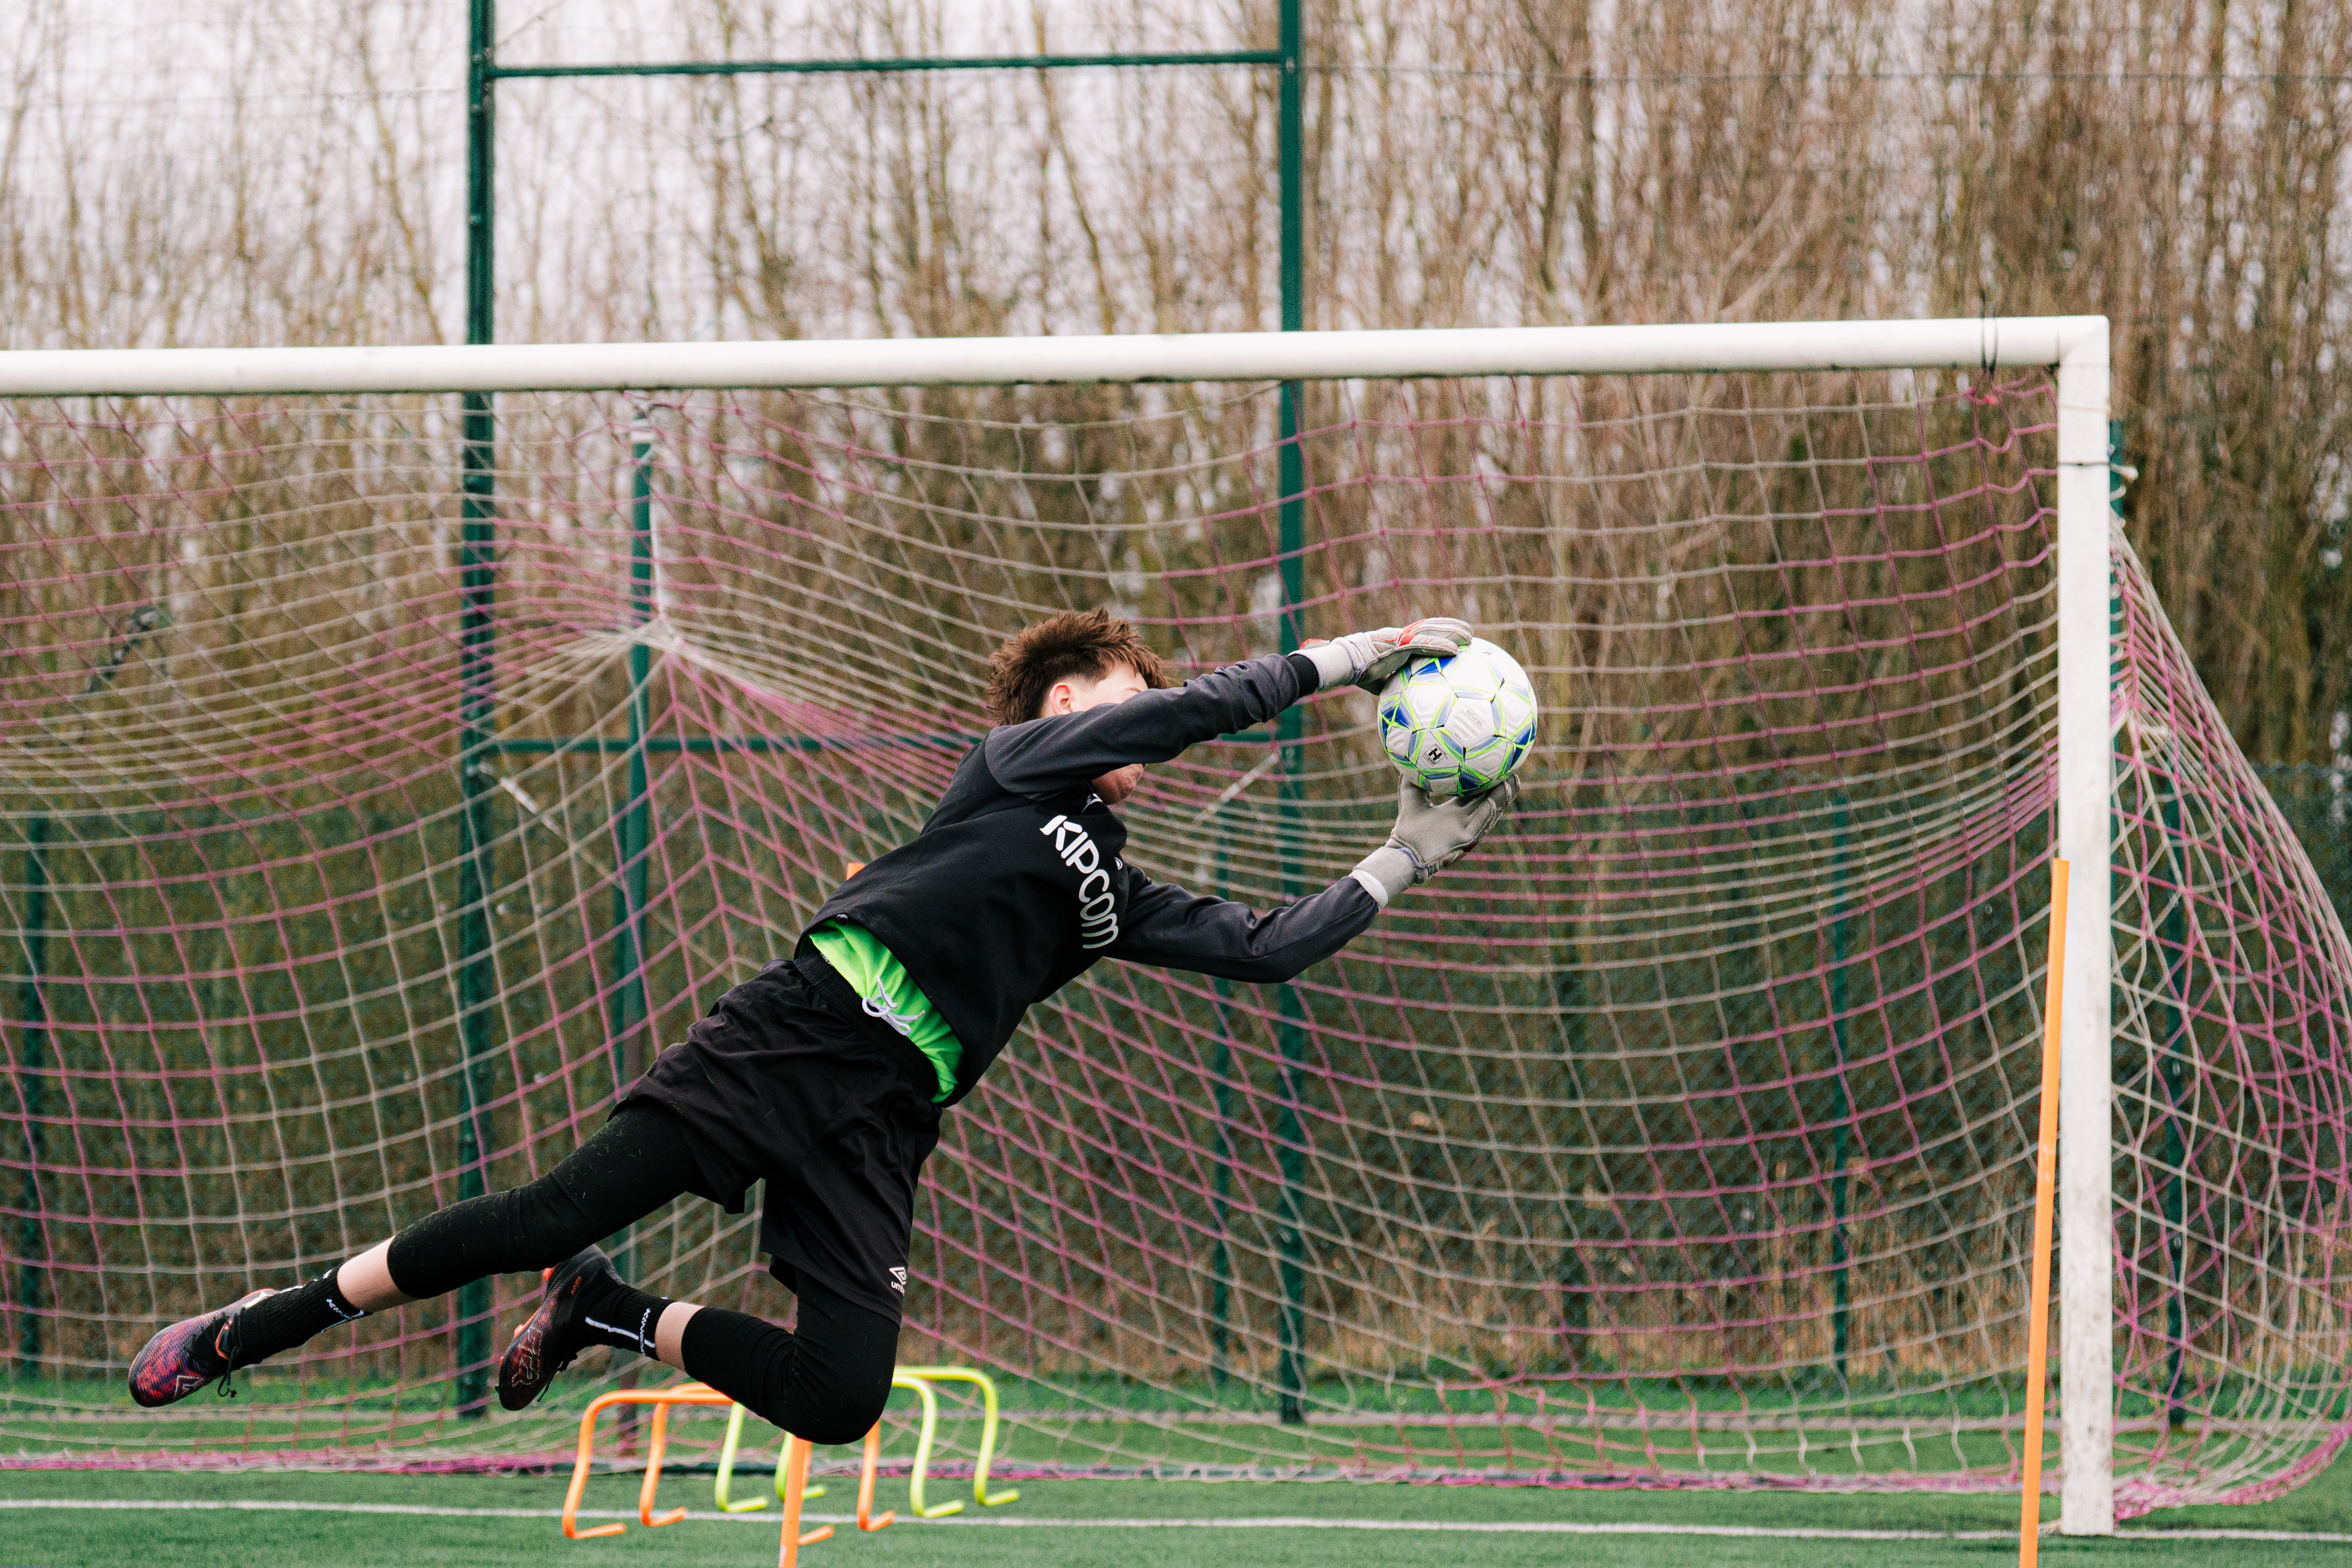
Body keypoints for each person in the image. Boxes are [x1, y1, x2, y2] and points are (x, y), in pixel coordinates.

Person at [128, 609, 1517, 1445]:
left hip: (890, 1106)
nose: (1137, 712)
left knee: (842, 1397)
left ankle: (611, 1311)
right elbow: (1196, 706)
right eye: (1117, 689)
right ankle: (263, 1325)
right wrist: (1352, 657)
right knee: (548, 1209)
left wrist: (1408, 850)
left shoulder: (1114, 886)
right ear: (1058, 706)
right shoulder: (1013, 765)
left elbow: (1267, 950)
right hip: (807, 1023)